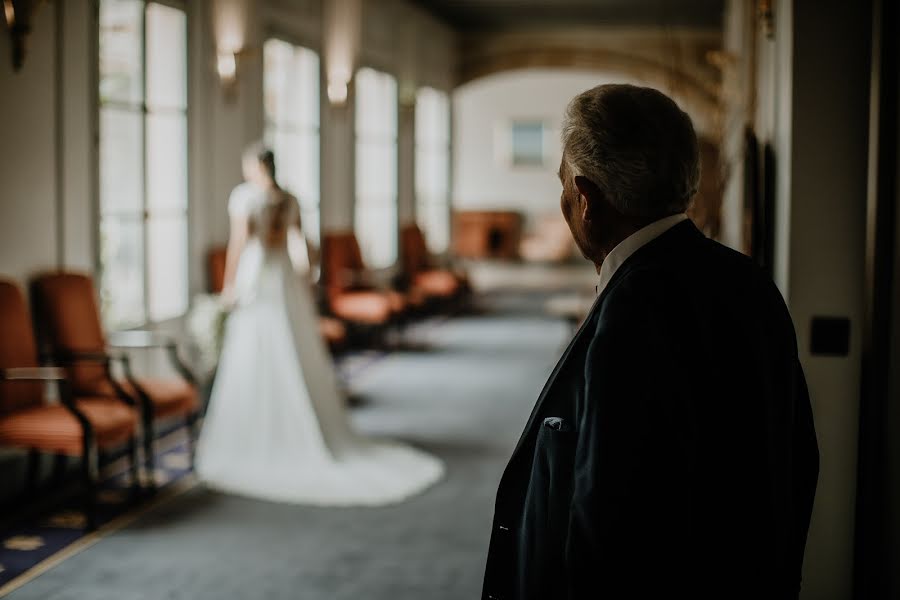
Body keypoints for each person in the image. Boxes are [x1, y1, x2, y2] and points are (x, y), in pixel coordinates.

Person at [481, 85, 819, 599]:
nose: (563, 199)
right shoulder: (747, 279)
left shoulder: (637, 309)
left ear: (586, 199)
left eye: (563, 186)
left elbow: (611, 522)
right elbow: (799, 458)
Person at [195, 143, 444, 505]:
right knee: (293, 347)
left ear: (255, 167)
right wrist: (306, 276)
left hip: (256, 276)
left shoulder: (245, 198)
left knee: (256, 351)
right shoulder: (291, 198)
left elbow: (239, 242)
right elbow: (305, 246)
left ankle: (259, 432)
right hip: (282, 278)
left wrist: (230, 287)